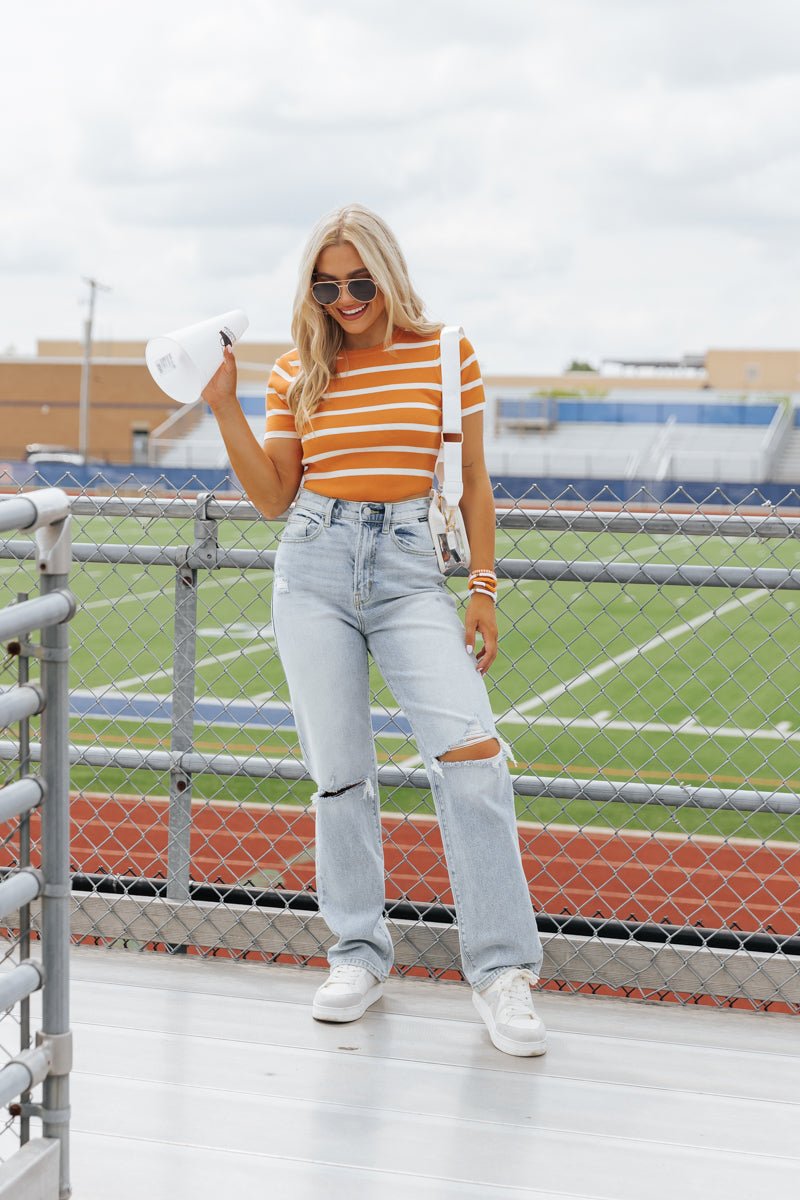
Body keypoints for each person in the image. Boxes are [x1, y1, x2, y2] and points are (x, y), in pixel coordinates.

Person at [202, 204, 546, 1057]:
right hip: (311, 562)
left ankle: (503, 973)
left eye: (360, 281)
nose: (347, 298)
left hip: (406, 569)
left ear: (388, 275)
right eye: (329, 285)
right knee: (340, 773)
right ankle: (357, 952)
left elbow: (472, 482)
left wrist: (482, 588)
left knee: (472, 756)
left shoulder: (444, 351)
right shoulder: (295, 372)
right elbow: (274, 496)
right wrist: (222, 405)